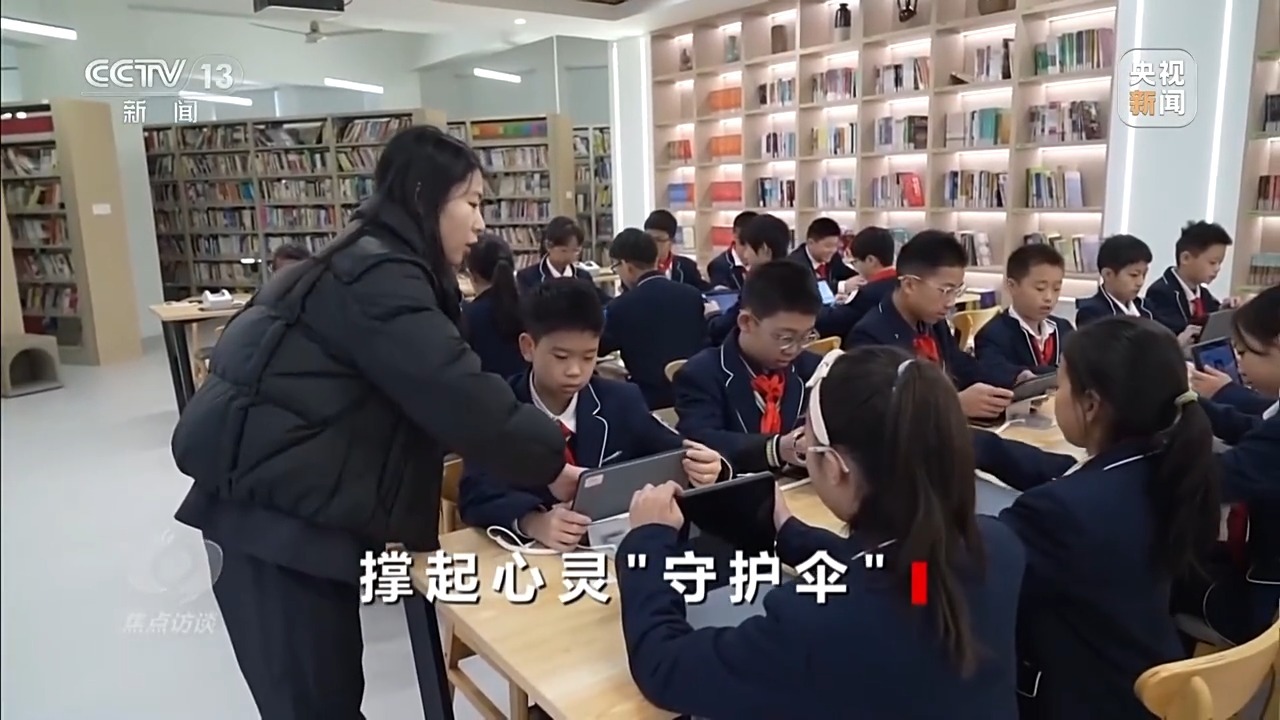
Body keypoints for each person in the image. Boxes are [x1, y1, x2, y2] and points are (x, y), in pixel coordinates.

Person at [169, 125, 575, 720]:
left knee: (323, 696)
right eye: (472, 203)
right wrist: (551, 458)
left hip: (286, 504)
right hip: (272, 523)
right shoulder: (379, 278)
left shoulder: (370, 259)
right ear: (424, 198)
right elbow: (457, 394)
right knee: (313, 705)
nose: (481, 223)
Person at [618, 345, 1026, 719]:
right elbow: (901, 580)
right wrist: (790, 533)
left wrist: (648, 541)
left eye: (808, 442)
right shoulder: (993, 546)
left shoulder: (818, 625)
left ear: (833, 466)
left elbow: (664, 666)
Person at [971, 316, 1221, 719]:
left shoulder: (1061, 513)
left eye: (1060, 387)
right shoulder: (1169, 462)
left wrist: (907, 520)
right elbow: (1070, 475)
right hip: (1145, 678)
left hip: (1076, 695)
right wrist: (976, 445)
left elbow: (959, 581)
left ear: (1091, 404)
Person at [458, 278, 728, 546]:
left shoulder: (621, 401)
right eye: (561, 357)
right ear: (528, 347)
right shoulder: (499, 407)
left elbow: (673, 451)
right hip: (531, 559)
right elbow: (475, 493)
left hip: (611, 551)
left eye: (588, 357)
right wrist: (532, 520)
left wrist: (710, 467)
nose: (575, 370)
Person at [1175, 285, 1280, 645]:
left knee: (1156, 572)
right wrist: (1188, 400)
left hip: (1263, 600)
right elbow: (1256, 429)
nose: (1240, 364)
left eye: (1245, 352)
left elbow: (1212, 479)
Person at [847, 230, 1014, 420]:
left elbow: (962, 366)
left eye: (956, 291)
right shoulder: (869, 336)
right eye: (945, 290)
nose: (951, 302)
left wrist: (1014, 380)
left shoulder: (933, 321)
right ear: (909, 285)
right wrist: (954, 404)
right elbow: (881, 412)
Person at [675, 260, 822, 474]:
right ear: (746, 322)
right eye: (785, 338)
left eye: (806, 336)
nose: (794, 349)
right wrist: (775, 449)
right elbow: (699, 441)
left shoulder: (813, 368)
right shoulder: (701, 374)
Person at [599, 228, 709, 409]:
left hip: (648, 403)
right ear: (656, 259)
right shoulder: (692, 295)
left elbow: (600, 348)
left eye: (616, 267)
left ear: (627, 266)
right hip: (695, 396)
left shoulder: (621, 306)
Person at [974, 244, 1076, 387]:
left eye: (1056, 289)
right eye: (1040, 288)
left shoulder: (1064, 328)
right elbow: (995, 371)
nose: (1049, 297)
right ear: (1012, 286)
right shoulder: (993, 334)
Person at [706, 214, 793, 345]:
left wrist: (712, 314)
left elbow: (722, 327)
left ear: (764, 250)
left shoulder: (759, 284)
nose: (745, 254)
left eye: (747, 247)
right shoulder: (798, 275)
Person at [1145, 220, 1237, 338]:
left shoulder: (1204, 294)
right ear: (1186, 258)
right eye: (1212, 262)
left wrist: (1222, 312)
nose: (1217, 268)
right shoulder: (1161, 292)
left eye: (1220, 263)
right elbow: (1176, 333)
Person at [462, 233, 526, 378]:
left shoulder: (468, 316)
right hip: (526, 389)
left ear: (473, 274)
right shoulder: (531, 307)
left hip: (485, 390)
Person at [834, 226, 899, 343]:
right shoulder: (901, 284)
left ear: (870, 260)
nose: (855, 268)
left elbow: (836, 322)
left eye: (855, 262)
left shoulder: (867, 294)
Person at [1074, 234, 1155, 326]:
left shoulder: (1147, 308)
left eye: (1144, 274)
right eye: (1134, 275)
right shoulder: (1091, 313)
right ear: (1108, 274)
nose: (1140, 282)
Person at [516, 217, 604, 300]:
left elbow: (600, 302)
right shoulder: (527, 277)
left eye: (575, 251)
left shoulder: (583, 276)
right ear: (548, 246)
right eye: (564, 251)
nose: (570, 256)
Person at [644, 209, 711, 291]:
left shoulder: (687, 267)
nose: (652, 244)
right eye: (648, 239)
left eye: (658, 240)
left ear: (671, 241)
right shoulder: (638, 267)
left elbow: (703, 291)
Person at [788, 217, 856, 295]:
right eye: (828, 246)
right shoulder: (793, 265)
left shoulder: (834, 257)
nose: (833, 250)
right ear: (810, 243)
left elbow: (847, 274)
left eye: (836, 245)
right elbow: (807, 290)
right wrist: (841, 286)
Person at [706, 210, 758, 289]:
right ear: (735, 236)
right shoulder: (719, 266)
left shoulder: (765, 263)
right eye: (744, 244)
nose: (748, 251)